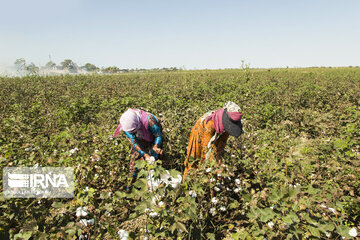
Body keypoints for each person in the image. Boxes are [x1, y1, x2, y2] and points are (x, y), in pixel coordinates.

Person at [183, 101, 243, 177]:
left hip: (214, 135)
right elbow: (207, 147)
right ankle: (187, 182)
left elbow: (223, 141)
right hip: (200, 133)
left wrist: (219, 157)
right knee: (195, 158)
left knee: (216, 158)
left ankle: (206, 176)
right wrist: (215, 165)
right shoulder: (209, 123)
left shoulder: (228, 126)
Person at [113, 109, 163, 176]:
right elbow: (133, 142)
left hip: (153, 136)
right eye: (131, 132)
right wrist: (144, 154)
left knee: (153, 159)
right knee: (134, 161)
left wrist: (156, 146)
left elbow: (158, 135)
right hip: (140, 137)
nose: (132, 133)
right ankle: (132, 180)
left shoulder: (150, 122)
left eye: (133, 130)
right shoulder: (126, 126)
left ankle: (152, 178)